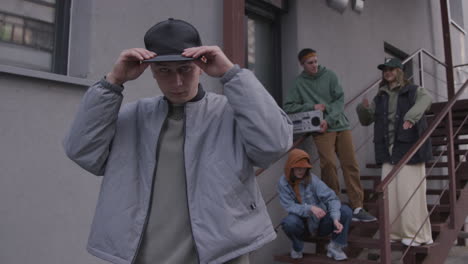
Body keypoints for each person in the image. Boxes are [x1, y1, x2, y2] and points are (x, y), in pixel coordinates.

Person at [63, 18, 292, 264]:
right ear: (151, 71)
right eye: (165, 71)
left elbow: (276, 143)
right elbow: (82, 151)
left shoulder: (231, 114)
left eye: (185, 69)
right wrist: (113, 82)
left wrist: (231, 74)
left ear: (201, 67)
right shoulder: (134, 117)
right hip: (145, 257)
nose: (177, 82)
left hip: (223, 257)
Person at [283, 48, 376, 222]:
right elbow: (288, 106)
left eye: (316, 61)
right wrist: (312, 107)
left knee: (350, 164)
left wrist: (330, 118)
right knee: (329, 166)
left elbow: (339, 100)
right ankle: (335, 205)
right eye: (310, 63)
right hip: (321, 130)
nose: (314, 65)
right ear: (302, 65)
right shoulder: (298, 83)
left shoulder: (330, 76)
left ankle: (357, 207)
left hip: (339, 124)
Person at [356, 58, 433, 246]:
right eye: (385, 70)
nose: (387, 72)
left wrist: (411, 117)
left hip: (410, 148)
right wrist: (362, 109)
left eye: (391, 69)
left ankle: (415, 234)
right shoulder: (380, 96)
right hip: (388, 151)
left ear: (400, 71)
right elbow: (367, 120)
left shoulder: (414, 90)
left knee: (409, 193)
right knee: (390, 195)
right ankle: (395, 233)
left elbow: (427, 100)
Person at [278, 148, 352, 260]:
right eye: (298, 168)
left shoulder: (313, 179)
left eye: (304, 168)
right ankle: (297, 247)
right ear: (290, 167)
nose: (301, 171)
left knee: (345, 211)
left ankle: (335, 247)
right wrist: (310, 208)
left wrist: (336, 218)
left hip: (319, 223)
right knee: (289, 222)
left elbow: (332, 199)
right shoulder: (283, 183)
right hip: (301, 226)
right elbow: (289, 205)